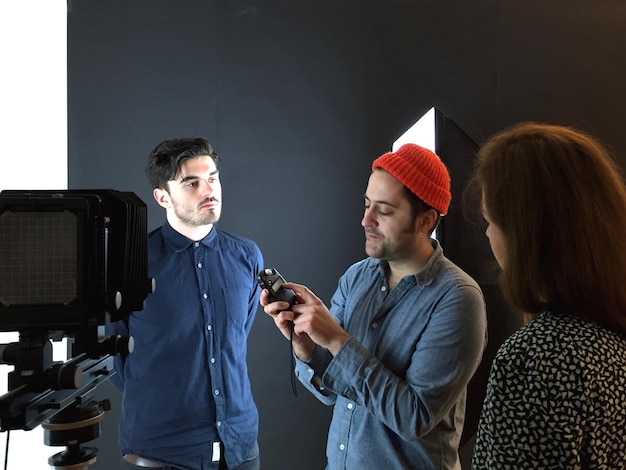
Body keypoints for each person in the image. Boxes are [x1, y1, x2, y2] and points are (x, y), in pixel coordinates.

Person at [262, 143, 488, 469]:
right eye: (367, 205)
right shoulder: (357, 277)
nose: (365, 219)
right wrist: (307, 347)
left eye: (383, 211)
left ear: (425, 221)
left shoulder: (458, 299)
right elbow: (334, 392)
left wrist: (338, 341)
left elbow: (413, 418)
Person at [469, 122, 626, 469]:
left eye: (491, 221)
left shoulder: (534, 359)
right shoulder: (612, 344)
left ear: (526, 235)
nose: (489, 235)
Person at [107, 137, 263, 470]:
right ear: (162, 196)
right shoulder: (130, 265)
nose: (209, 190)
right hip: (161, 452)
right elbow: (115, 358)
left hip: (241, 449)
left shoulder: (246, 256)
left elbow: (235, 339)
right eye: (191, 182)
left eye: (212, 177)